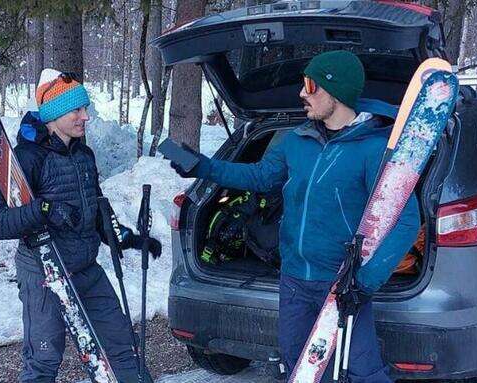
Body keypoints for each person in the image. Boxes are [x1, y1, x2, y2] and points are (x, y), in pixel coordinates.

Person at [169, 50, 420, 382]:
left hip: (340, 282)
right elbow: (259, 177)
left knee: (362, 371)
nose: (302, 93)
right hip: (294, 278)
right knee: (298, 365)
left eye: (310, 85)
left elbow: (406, 222)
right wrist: (204, 167)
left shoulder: (374, 149)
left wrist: (365, 282)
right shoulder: (298, 141)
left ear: (336, 90)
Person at [0, 68, 161, 383]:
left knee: (121, 346)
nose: (85, 117)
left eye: (84, 109)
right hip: (44, 273)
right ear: (55, 113)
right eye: (77, 109)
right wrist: (44, 211)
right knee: (44, 358)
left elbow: (96, 213)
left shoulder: (84, 156)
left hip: (85, 269)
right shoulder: (27, 159)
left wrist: (130, 240)